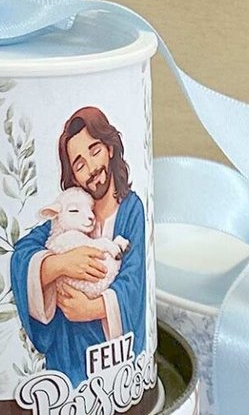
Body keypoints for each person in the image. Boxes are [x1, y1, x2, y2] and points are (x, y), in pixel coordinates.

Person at [9, 106, 148, 384]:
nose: (92, 169)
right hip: (67, 356)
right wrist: (60, 264)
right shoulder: (70, 215)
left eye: (95, 151)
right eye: (80, 164)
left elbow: (135, 281)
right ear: (73, 176)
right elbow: (22, 253)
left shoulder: (131, 210)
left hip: (110, 355)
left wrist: (92, 308)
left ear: (110, 148)